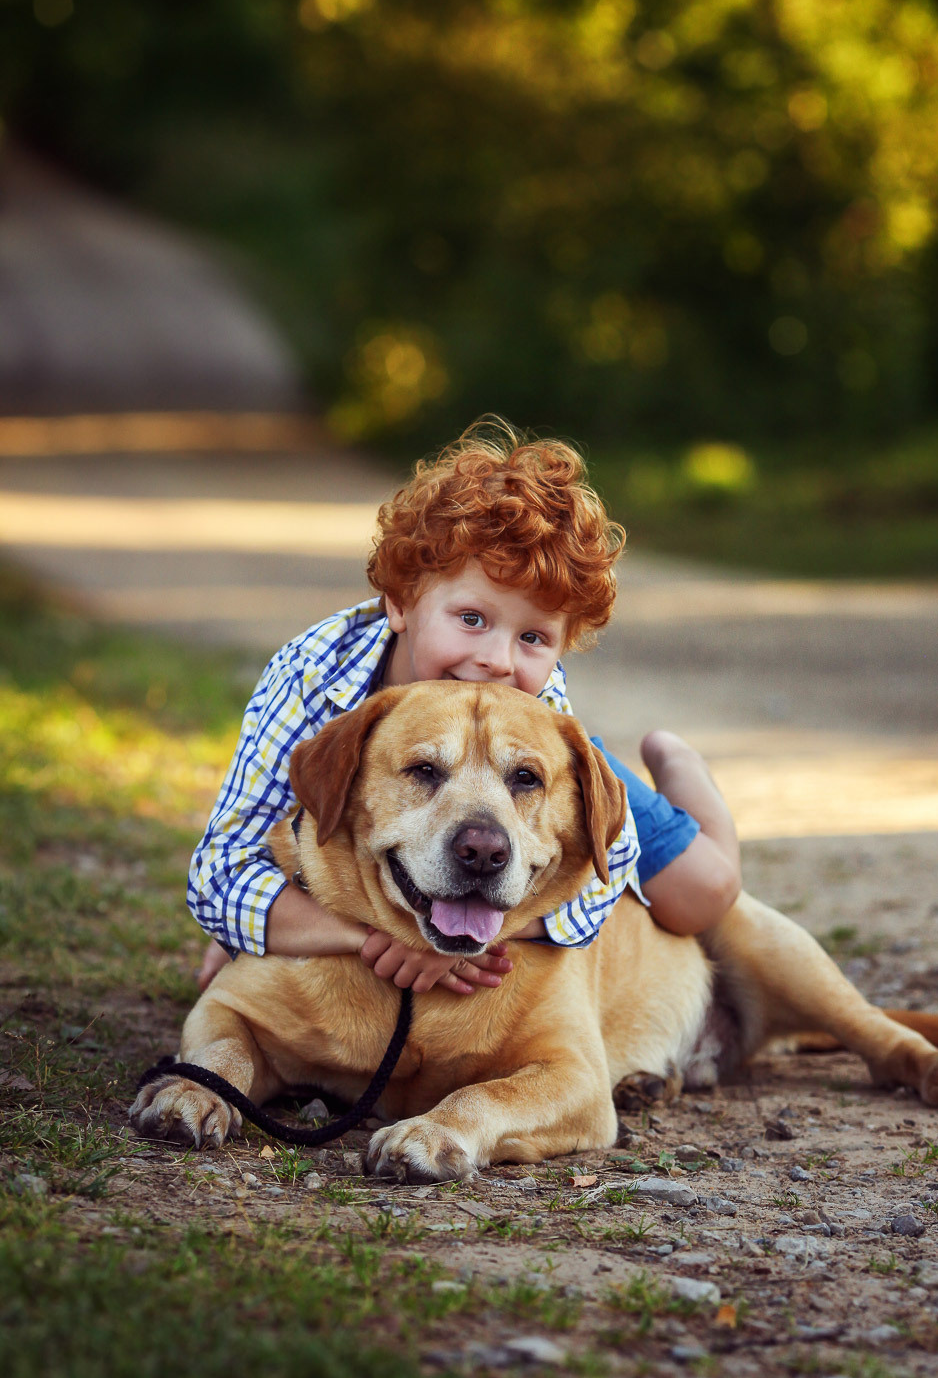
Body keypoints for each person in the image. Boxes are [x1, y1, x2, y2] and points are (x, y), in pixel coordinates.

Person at [190, 421, 741, 995]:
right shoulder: (312, 675)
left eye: (533, 638)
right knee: (258, 907)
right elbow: (218, 874)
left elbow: (601, 882)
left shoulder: (537, 705)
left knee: (703, 893)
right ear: (400, 603)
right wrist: (372, 937)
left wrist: (480, 937)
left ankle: (678, 764)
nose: (498, 661)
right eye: (472, 619)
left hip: (526, 779)